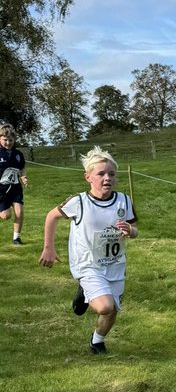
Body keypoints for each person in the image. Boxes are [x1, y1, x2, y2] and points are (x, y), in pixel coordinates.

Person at [39, 146, 138, 354]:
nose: (107, 178)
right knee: (105, 306)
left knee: (112, 311)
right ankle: (86, 290)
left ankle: (97, 341)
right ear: (88, 178)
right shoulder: (79, 202)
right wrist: (48, 247)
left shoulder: (123, 200)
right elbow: (51, 216)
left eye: (111, 174)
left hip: (115, 264)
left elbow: (134, 228)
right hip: (88, 265)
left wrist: (131, 230)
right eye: (100, 174)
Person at [0, 123, 28, 245]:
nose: (8, 142)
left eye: (10, 140)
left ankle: (16, 238)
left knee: (19, 212)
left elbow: (22, 168)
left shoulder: (18, 154)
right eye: (5, 140)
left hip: (15, 188)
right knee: (6, 216)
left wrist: (23, 177)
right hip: (1, 190)